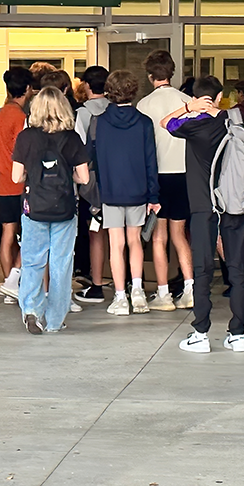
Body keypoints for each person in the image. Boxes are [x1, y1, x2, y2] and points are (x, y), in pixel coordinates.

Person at [163, 76, 244, 353]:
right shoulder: (237, 122)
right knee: (238, 268)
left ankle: (201, 333)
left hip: (204, 206)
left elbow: (166, 122)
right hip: (236, 203)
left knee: (203, 268)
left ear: (198, 98)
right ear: (219, 97)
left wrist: (188, 108)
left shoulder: (192, 127)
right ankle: (238, 334)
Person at [11, 87, 91, 334]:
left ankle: (31, 311)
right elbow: (84, 178)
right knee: (61, 264)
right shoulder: (72, 138)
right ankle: (55, 320)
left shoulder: (26, 138)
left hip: (34, 207)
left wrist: (33, 174)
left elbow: (16, 177)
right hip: (64, 209)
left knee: (33, 261)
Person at [93, 71, 160, 316]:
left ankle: (120, 296)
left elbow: (96, 159)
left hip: (111, 191)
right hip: (138, 190)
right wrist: (153, 196)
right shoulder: (144, 122)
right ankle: (139, 293)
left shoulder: (99, 121)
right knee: (135, 242)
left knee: (116, 244)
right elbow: (151, 161)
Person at [136, 50, 196, 311]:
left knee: (158, 237)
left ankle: (163, 294)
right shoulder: (188, 101)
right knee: (180, 235)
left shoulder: (144, 105)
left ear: (150, 76)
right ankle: (190, 288)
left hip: (157, 177)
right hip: (184, 174)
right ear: (171, 72)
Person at [0, 67, 32, 304]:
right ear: (27, 89)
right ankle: (12, 283)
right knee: (29, 237)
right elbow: (23, 152)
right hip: (20, 185)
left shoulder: (0, 115)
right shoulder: (21, 118)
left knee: (7, 234)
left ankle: (7, 283)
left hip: (2, 183)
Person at [72, 66, 110, 304]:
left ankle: (97, 283)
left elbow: (78, 150)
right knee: (120, 233)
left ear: (86, 86)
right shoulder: (118, 110)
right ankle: (125, 281)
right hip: (118, 179)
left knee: (95, 232)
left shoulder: (83, 113)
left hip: (92, 181)